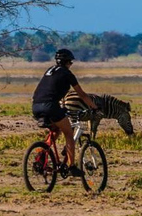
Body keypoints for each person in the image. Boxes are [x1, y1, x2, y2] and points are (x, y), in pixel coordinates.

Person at [31, 48, 98, 177]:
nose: (71, 65)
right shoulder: (67, 74)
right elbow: (82, 95)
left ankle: (42, 157)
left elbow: (50, 89)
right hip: (50, 106)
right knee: (69, 133)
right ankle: (71, 166)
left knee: (56, 130)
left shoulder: (50, 70)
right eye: (70, 62)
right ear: (67, 62)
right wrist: (94, 107)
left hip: (36, 106)